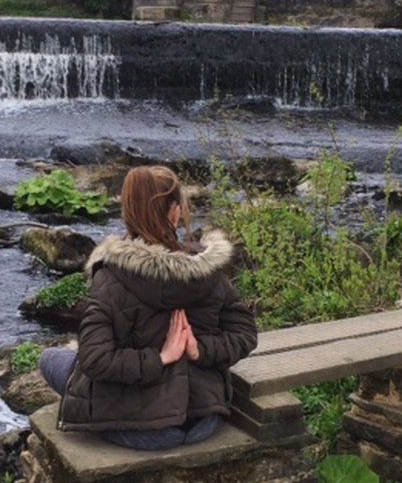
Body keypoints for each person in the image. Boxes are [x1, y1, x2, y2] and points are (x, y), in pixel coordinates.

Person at [39, 165, 258, 451]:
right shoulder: (208, 271)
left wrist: (162, 357)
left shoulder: (112, 276)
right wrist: (199, 349)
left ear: (127, 212)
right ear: (175, 212)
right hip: (203, 423)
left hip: (142, 432)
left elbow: (95, 360)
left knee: (51, 358)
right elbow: (246, 333)